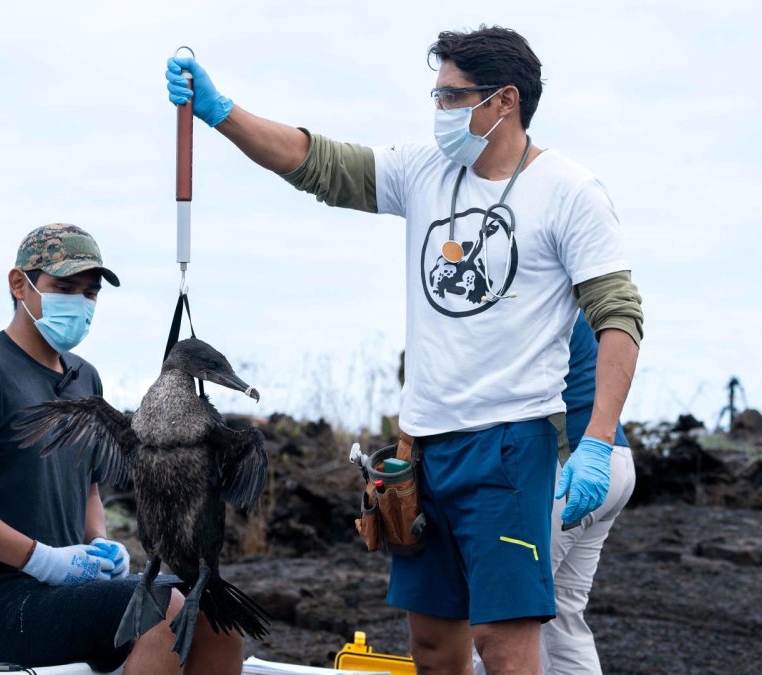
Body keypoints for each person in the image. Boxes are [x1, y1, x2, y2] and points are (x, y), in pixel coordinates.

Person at [164, 26, 643, 674]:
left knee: (503, 646)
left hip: (509, 447)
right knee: (434, 648)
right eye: (436, 95)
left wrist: (596, 439)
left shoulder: (568, 190)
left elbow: (619, 314)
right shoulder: (423, 170)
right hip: (422, 452)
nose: (439, 110)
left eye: (452, 97)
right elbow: (317, 164)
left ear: (504, 100)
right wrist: (222, 115)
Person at [0, 223, 244, 674]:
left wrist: (99, 543)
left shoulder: (84, 378)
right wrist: (43, 559)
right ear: (19, 284)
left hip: (59, 596)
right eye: (64, 287)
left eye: (90, 293)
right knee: (162, 607)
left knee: (218, 614)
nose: (81, 302)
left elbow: (87, 488)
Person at [471, 310, 637, 674]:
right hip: (615, 460)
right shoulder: (570, 308)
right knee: (565, 614)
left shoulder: (533, 306)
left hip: (569, 467)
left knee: (502, 618)